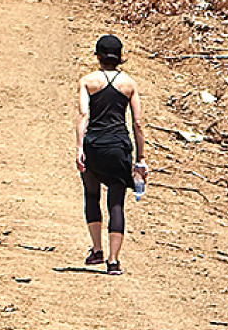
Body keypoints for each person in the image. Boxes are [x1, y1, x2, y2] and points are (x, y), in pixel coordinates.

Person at [74, 34, 147, 274]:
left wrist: (79, 148)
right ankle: (113, 261)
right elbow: (137, 123)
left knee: (91, 195)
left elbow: (84, 115)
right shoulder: (129, 85)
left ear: (98, 55)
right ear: (120, 57)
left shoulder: (87, 81)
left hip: (94, 144)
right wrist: (140, 158)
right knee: (116, 203)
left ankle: (97, 250)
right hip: (119, 146)